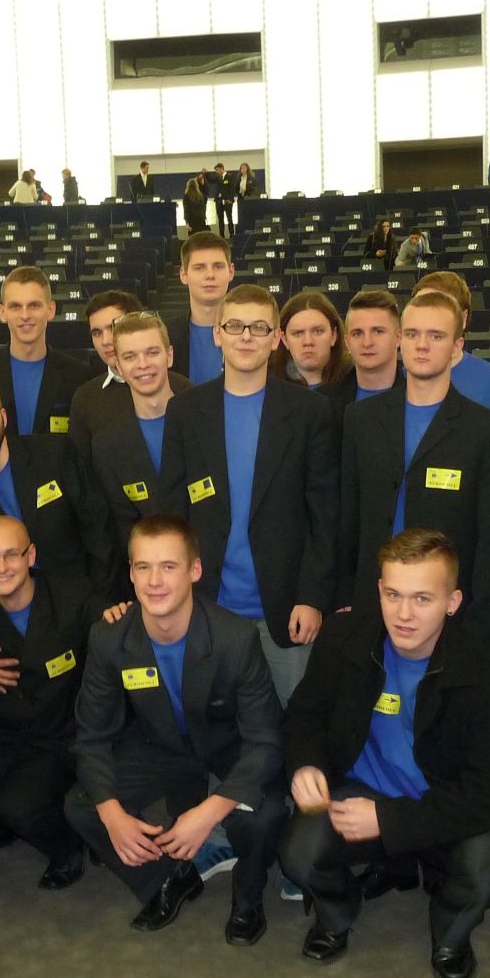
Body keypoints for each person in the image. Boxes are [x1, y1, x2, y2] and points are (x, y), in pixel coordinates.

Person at [280, 529, 490, 978]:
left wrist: (390, 820)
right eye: (393, 595)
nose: (404, 614)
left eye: (422, 599)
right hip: (360, 798)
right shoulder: (344, 637)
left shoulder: (482, 673)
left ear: (452, 602)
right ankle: (338, 912)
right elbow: (305, 713)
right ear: (378, 590)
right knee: (298, 851)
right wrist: (306, 763)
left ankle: (450, 934)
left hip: (440, 807)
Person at [64, 516, 287, 944]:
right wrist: (112, 814)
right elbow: (91, 736)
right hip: (160, 744)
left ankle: (248, 898)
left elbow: (265, 741)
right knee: (82, 806)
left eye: (168, 566)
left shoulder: (235, 638)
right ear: (130, 574)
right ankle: (169, 878)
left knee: (263, 816)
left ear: (194, 570)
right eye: (143, 567)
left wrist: (209, 813)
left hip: (227, 745)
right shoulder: (109, 638)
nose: (155, 581)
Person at [161, 284, 337, 706]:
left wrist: (312, 597)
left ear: (276, 339)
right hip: (207, 606)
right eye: (235, 326)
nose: (245, 337)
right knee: (215, 727)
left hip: (286, 610)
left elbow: (325, 515)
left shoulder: (309, 411)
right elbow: (172, 513)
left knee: (290, 723)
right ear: (217, 334)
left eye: (258, 327)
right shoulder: (185, 411)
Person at [337, 287, 490, 642]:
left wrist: (482, 625)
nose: (422, 345)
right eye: (413, 334)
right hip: (371, 606)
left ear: (456, 347)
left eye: (436, 336)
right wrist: (345, 596)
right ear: (400, 340)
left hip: (455, 616)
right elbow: (349, 519)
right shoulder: (360, 419)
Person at [0, 515, 98, 889]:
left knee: (18, 806)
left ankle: (69, 845)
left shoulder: (72, 595)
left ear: (31, 555)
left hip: (56, 737)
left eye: (11, 554)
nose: (1, 567)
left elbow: (110, 623)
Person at [0, 374, 114, 590]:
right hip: (8, 606)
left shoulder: (55, 455)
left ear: (3, 417)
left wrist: (102, 600)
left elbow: (99, 530)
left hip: (81, 595)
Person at [88, 312, 193, 560]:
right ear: (118, 366)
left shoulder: (205, 424)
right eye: (130, 357)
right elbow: (120, 529)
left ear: (169, 356)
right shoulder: (106, 446)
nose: (142, 364)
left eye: (152, 352)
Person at [0, 266, 90, 440]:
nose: (25, 315)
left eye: (34, 305)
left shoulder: (80, 376)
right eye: (15, 306)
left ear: (51, 309)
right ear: (2, 312)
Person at [414, 271, 490, 417]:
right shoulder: (394, 381)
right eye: (420, 307)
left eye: (439, 307)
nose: (427, 316)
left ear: (463, 317)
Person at [67, 290, 142, 466]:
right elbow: (80, 468)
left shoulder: (176, 387)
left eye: (113, 328)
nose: (105, 341)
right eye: (97, 333)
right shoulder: (85, 399)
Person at [321, 289, 402, 423]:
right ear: (347, 342)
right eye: (357, 334)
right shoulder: (324, 403)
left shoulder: (421, 397)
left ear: (398, 337)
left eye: (378, 331)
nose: (367, 343)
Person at [176, 231, 235, 385]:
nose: (210, 275)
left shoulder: (252, 335)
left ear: (231, 272)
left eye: (218, 266)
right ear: (183, 274)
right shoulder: (167, 337)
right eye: (199, 268)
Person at [272, 291, 351, 391]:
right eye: (298, 333)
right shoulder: (268, 386)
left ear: (334, 335)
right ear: (284, 339)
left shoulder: (355, 380)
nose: (308, 342)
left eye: (318, 331)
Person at [211, 163, 236, 240]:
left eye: (217, 170)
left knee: (229, 218)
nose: (216, 172)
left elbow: (232, 188)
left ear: (222, 168)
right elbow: (211, 180)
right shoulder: (218, 178)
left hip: (227, 201)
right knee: (220, 219)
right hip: (219, 201)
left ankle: (232, 234)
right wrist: (205, 173)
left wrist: (230, 199)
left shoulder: (230, 177)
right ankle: (221, 235)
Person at [234, 162, 260, 231]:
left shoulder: (251, 178)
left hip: (249, 198)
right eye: (241, 168)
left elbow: (255, 188)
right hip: (241, 198)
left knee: (249, 214)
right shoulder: (239, 178)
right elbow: (236, 188)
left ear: (247, 169)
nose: (242, 169)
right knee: (241, 214)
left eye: (244, 168)